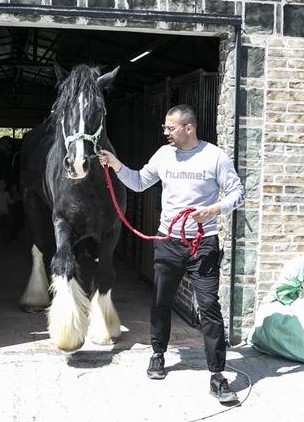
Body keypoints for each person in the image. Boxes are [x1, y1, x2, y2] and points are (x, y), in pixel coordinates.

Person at [98, 104, 244, 404]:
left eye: (170, 128)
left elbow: (237, 193)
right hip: (168, 241)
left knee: (209, 307)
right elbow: (139, 183)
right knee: (160, 301)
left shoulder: (214, 156)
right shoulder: (164, 155)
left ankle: (217, 374)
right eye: (165, 127)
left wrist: (214, 209)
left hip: (203, 244)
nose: (165, 132)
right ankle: (158, 354)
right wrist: (116, 165)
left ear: (188, 128)